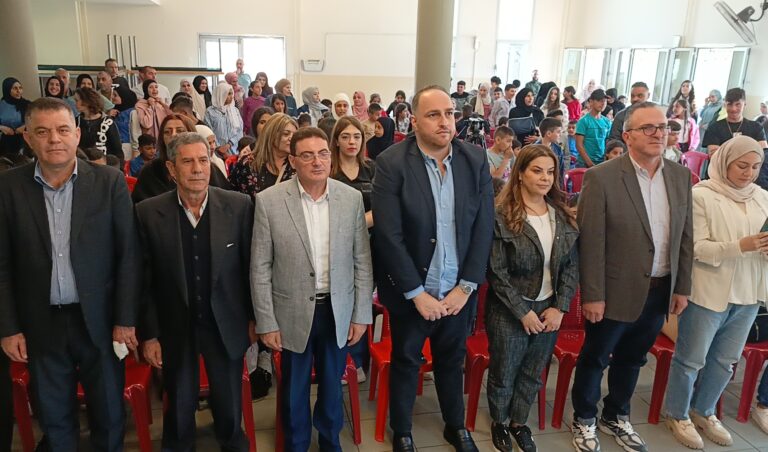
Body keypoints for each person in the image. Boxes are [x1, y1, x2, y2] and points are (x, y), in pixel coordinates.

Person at [0, 97, 140, 451]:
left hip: (100, 322)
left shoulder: (109, 182)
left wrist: (125, 319)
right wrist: (9, 327)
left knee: (109, 415)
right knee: (54, 419)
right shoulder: (8, 187)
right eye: (42, 132)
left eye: (63, 130)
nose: (54, 139)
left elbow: (128, 255)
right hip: (40, 323)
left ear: (77, 134)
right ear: (28, 137)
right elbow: (2, 264)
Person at [372, 85, 494, 452]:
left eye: (450, 113)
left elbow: (483, 227)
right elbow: (389, 235)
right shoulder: (392, 163)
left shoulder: (474, 160)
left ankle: (455, 426)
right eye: (434, 115)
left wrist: (467, 286)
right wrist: (416, 293)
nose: (445, 122)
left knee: (451, 360)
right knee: (406, 360)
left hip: (458, 291)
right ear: (413, 121)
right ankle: (402, 430)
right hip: (413, 290)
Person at [570, 101, 693, 452]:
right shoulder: (602, 177)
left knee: (634, 358)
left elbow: (686, 236)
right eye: (648, 128)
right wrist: (593, 294)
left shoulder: (680, 176)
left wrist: (682, 286)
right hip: (613, 290)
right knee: (596, 358)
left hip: (659, 288)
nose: (659, 133)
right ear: (627, 136)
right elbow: (591, 241)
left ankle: (616, 414)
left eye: (663, 126)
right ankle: (584, 418)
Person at [251, 126, 373, 451]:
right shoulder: (269, 201)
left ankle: (330, 442)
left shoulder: (350, 199)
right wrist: (266, 321)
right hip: (290, 312)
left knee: (333, 387)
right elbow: (260, 266)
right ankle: (297, 444)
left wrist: (361, 314)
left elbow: (362, 261)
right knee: (294, 389)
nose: (317, 162)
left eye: (322, 154)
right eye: (307, 156)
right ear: (293, 160)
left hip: (337, 310)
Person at [136, 132, 253, 451]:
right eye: (187, 161)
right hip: (175, 327)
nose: (197, 169)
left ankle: (232, 444)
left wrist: (255, 320)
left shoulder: (238, 206)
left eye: (203, 160)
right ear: (171, 169)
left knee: (229, 405)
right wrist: (150, 335)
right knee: (178, 403)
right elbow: (143, 281)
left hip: (225, 323)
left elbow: (250, 270)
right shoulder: (148, 213)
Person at [663, 135, 768, 449]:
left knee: (725, 360)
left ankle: (704, 410)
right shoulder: (702, 195)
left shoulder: (762, 197)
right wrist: (741, 246)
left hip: (748, 293)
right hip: (708, 291)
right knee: (691, 359)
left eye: (755, 166)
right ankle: (677, 413)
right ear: (724, 162)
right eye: (742, 165)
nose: (748, 173)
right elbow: (695, 248)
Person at [486, 144, 579, 452]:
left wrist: (560, 308)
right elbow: (496, 272)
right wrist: (522, 312)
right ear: (520, 174)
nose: (545, 178)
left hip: (548, 308)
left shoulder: (561, 215)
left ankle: (518, 422)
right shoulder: (502, 215)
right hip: (509, 309)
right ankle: (500, 421)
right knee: (505, 370)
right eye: (537, 171)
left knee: (533, 371)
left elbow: (571, 266)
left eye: (550, 172)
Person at [132, 113, 231, 203]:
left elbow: (226, 202)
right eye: (167, 132)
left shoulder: (208, 168)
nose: (173, 135)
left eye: (180, 131)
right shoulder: (151, 170)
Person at [229, 113, 297, 199]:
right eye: (286, 134)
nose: (291, 138)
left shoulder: (298, 164)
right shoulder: (247, 164)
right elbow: (230, 195)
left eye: (295, 135)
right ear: (271, 134)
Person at [702, 88, 767, 155]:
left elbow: (763, 153)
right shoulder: (714, 128)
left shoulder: (756, 127)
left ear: (744, 105)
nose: (733, 109)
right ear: (725, 105)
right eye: (729, 104)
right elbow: (714, 155)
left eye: (738, 104)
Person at [73, 88, 124, 166]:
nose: (75, 104)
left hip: (104, 167)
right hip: (82, 166)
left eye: (77, 100)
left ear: (86, 102)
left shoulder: (107, 122)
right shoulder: (76, 121)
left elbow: (117, 150)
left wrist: (120, 169)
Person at [204, 82, 244, 157]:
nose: (231, 96)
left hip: (234, 150)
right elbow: (209, 131)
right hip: (216, 152)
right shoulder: (210, 112)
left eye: (232, 94)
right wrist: (219, 148)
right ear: (221, 94)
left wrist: (229, 144)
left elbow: (240, 130)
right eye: (228, 94)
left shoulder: (235, 110)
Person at [574, 89, 611, 167]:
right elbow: (579, 145)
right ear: (591, 101)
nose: (603, 103)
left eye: (605, 101)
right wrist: (590, 164)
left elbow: (608, 143)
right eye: (599, 100)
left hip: (601, 162)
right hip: (584, 163)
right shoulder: (583, 121)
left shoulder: (607, 122)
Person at [0, 78, 30, 156]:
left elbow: (36, 121)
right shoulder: (1, 105)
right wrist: (1, 127)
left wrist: (25, 126)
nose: (18, 91)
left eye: (20, 88)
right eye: (15, 88)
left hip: (25, 141)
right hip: (6, 144)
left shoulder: (27, 104)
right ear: (7, 90)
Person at [536, 117, 566, 183]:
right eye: (558, 132)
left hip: (554, 183)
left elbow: (561, 170)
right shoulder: (534, 150)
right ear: (549, 133)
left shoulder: (558, 149)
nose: (560, 135)